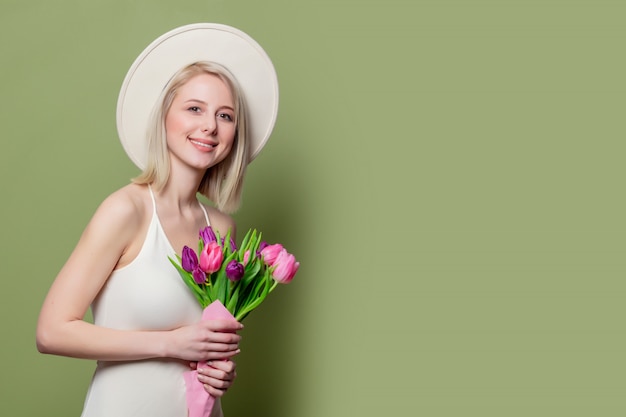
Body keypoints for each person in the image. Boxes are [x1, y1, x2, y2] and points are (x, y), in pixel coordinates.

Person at [36, 23, 279, 417]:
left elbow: (205, 345)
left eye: (225, 115)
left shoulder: (221, 229)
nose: (210, 127)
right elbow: (51, 331)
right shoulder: (125, 211)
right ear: (165, 116)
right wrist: (171, 344)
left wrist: (219, 371)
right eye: (194, 109)